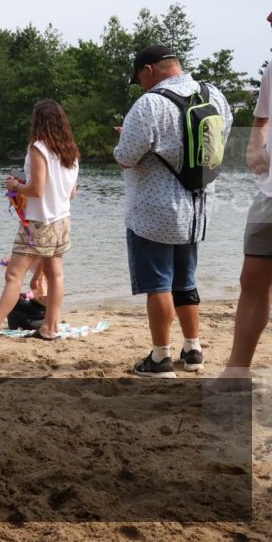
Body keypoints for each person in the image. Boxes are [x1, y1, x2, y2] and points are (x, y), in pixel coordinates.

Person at [114, 44, 232, 378]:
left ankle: (161, 357)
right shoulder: (214, 94)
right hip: (197, 208)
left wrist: (122, 140)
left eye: (139, 78)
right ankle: (193, 350)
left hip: (154, 213)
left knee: (158, 285)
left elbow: (126, 156)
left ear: (149, 70)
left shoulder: (150, 104)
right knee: (186, 280)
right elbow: (218, 136)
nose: (140, 84)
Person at [0, 100, 79, 343]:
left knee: (13, 276)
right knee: (56, 275)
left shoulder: (38, 147)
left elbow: (36, 189)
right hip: (62, 220)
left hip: (39, 222)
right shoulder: (70, 150)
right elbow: (72, 192)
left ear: (38, 121)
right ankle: (50, 327)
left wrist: (15, 185)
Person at [224, 11, 272, 377]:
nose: (268, 18)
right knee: (251, 277)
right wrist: (255, 146)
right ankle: (236, 373)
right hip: (269, 194)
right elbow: (261, 115)